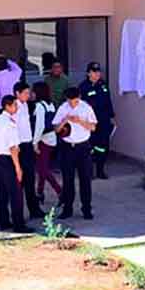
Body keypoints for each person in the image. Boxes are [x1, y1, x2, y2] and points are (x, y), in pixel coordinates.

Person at [52, 86, 97, 220]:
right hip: (68, 147)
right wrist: (65, 120)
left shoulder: (86, 108)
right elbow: (56, 129)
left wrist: (81, 121)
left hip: (83, 147)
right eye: (70, 102)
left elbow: (93, 127)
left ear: (79, 98)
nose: (73, 104)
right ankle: (67, 209)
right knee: (67, 180)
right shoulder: (63, 108)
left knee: (85, 179)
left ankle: (86, 209)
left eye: (75, 101)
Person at [0, 95, 33, 234]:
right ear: (8, 106)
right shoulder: (9, 123)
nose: (16, 107)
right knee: (16, 194)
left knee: (2, 192)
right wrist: (18, 168)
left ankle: (3, 220)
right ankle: (18, 224)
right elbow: (13, 148)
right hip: (8, 160)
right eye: (14, 105)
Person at [12, 81, 44, 219]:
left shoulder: (25, 105)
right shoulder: (14, 107)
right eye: (25, 93)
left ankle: (34, 209)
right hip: (19, 147)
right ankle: (17, 214)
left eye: (28, 92)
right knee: (19, 182)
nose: (28, 95)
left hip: (28, 145)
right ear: (17, 93)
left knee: (30, 180)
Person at [79, 62, 116, 179]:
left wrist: (112, 116)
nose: (97, 74)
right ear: (88, 73)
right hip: (90, 122)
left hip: (103, 120)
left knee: (103, 146)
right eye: (94, 72)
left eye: (98, 72)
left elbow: (108, 102)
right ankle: (88, 171)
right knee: (90, 147)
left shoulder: (103, 85)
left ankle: (100, 170)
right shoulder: (83, 87)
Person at [31, 81, 61, 203]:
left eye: (33, 91)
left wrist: (35, 142)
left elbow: (39, 126)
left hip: (43, 140)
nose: (31, 94)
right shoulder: (51, 105)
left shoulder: (39, 106)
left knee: (43, 169)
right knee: (41, 166)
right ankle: (40, 192)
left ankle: (60, 192)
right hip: (51, 138)